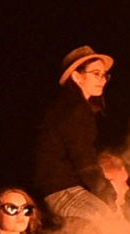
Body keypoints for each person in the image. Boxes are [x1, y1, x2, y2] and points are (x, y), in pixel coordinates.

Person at [33, 45, 112, 205]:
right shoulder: (75, 110)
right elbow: (84, 158)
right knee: (113, 227)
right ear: (76, 76)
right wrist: (107, 193)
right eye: (96, 74)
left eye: (104, 75)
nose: (102, 80)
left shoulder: (70, 107)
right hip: (64, 190)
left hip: (60, 188)